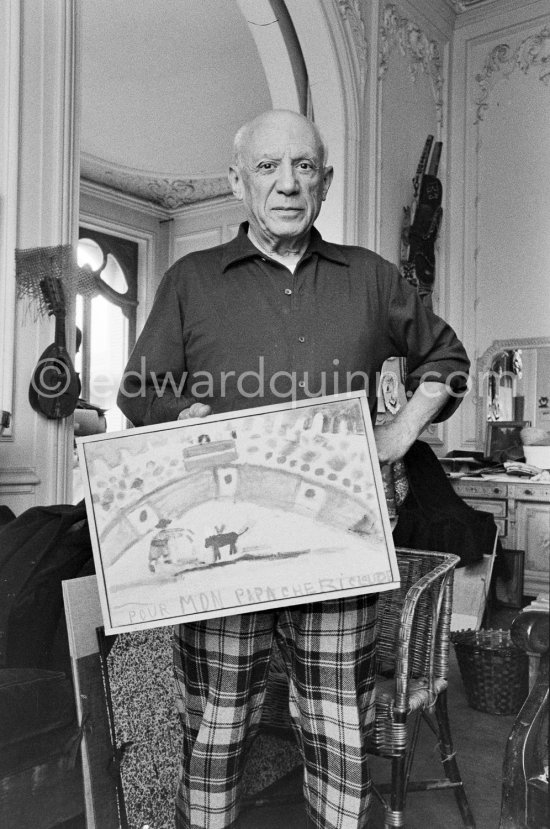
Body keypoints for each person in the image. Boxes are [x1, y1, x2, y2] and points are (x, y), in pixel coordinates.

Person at [117, 109, 470, 829]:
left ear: (325, 181)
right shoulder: (190, 279)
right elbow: (139, 390)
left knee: (340, 729)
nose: (287, 184)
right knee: (215, 730)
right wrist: (187, 420)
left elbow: (448, 360)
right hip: (222, 546)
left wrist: (398, 433)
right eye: (269, 167)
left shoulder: (371, 277)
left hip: (340, 537)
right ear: (237, 180)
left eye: (304, 167)